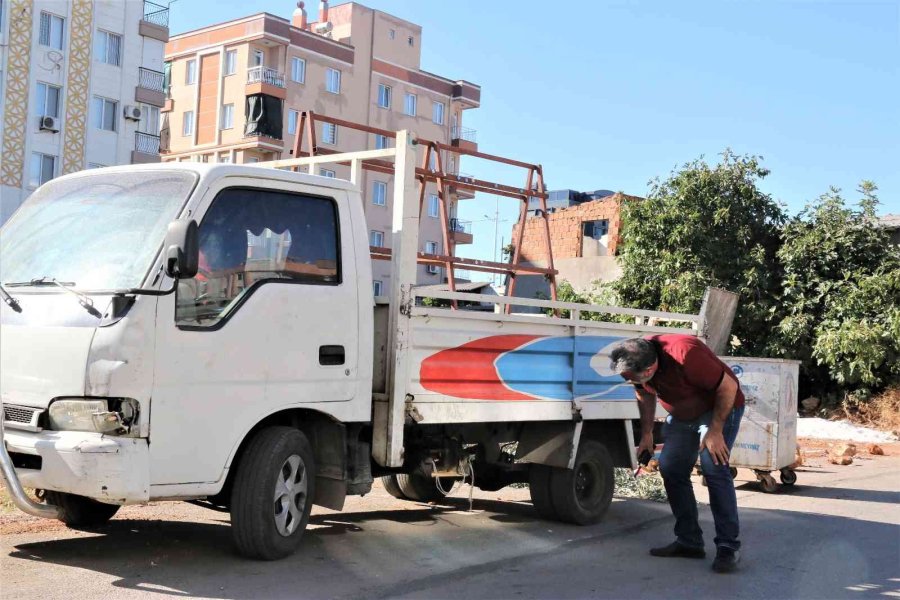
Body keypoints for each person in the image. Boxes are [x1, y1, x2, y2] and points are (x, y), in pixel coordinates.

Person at [609, 335, 745, 573]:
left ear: (650, 369)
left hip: (717, 410)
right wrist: (647, 434)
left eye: (630, 377)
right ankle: (689, 541)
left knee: (713, 468)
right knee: (671, 468)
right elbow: (644, 393)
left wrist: (715, 431)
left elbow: (729, 387)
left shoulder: (685, 354)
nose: (627, 380)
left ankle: (728, 546)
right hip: (683, 414)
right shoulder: (638, 356)